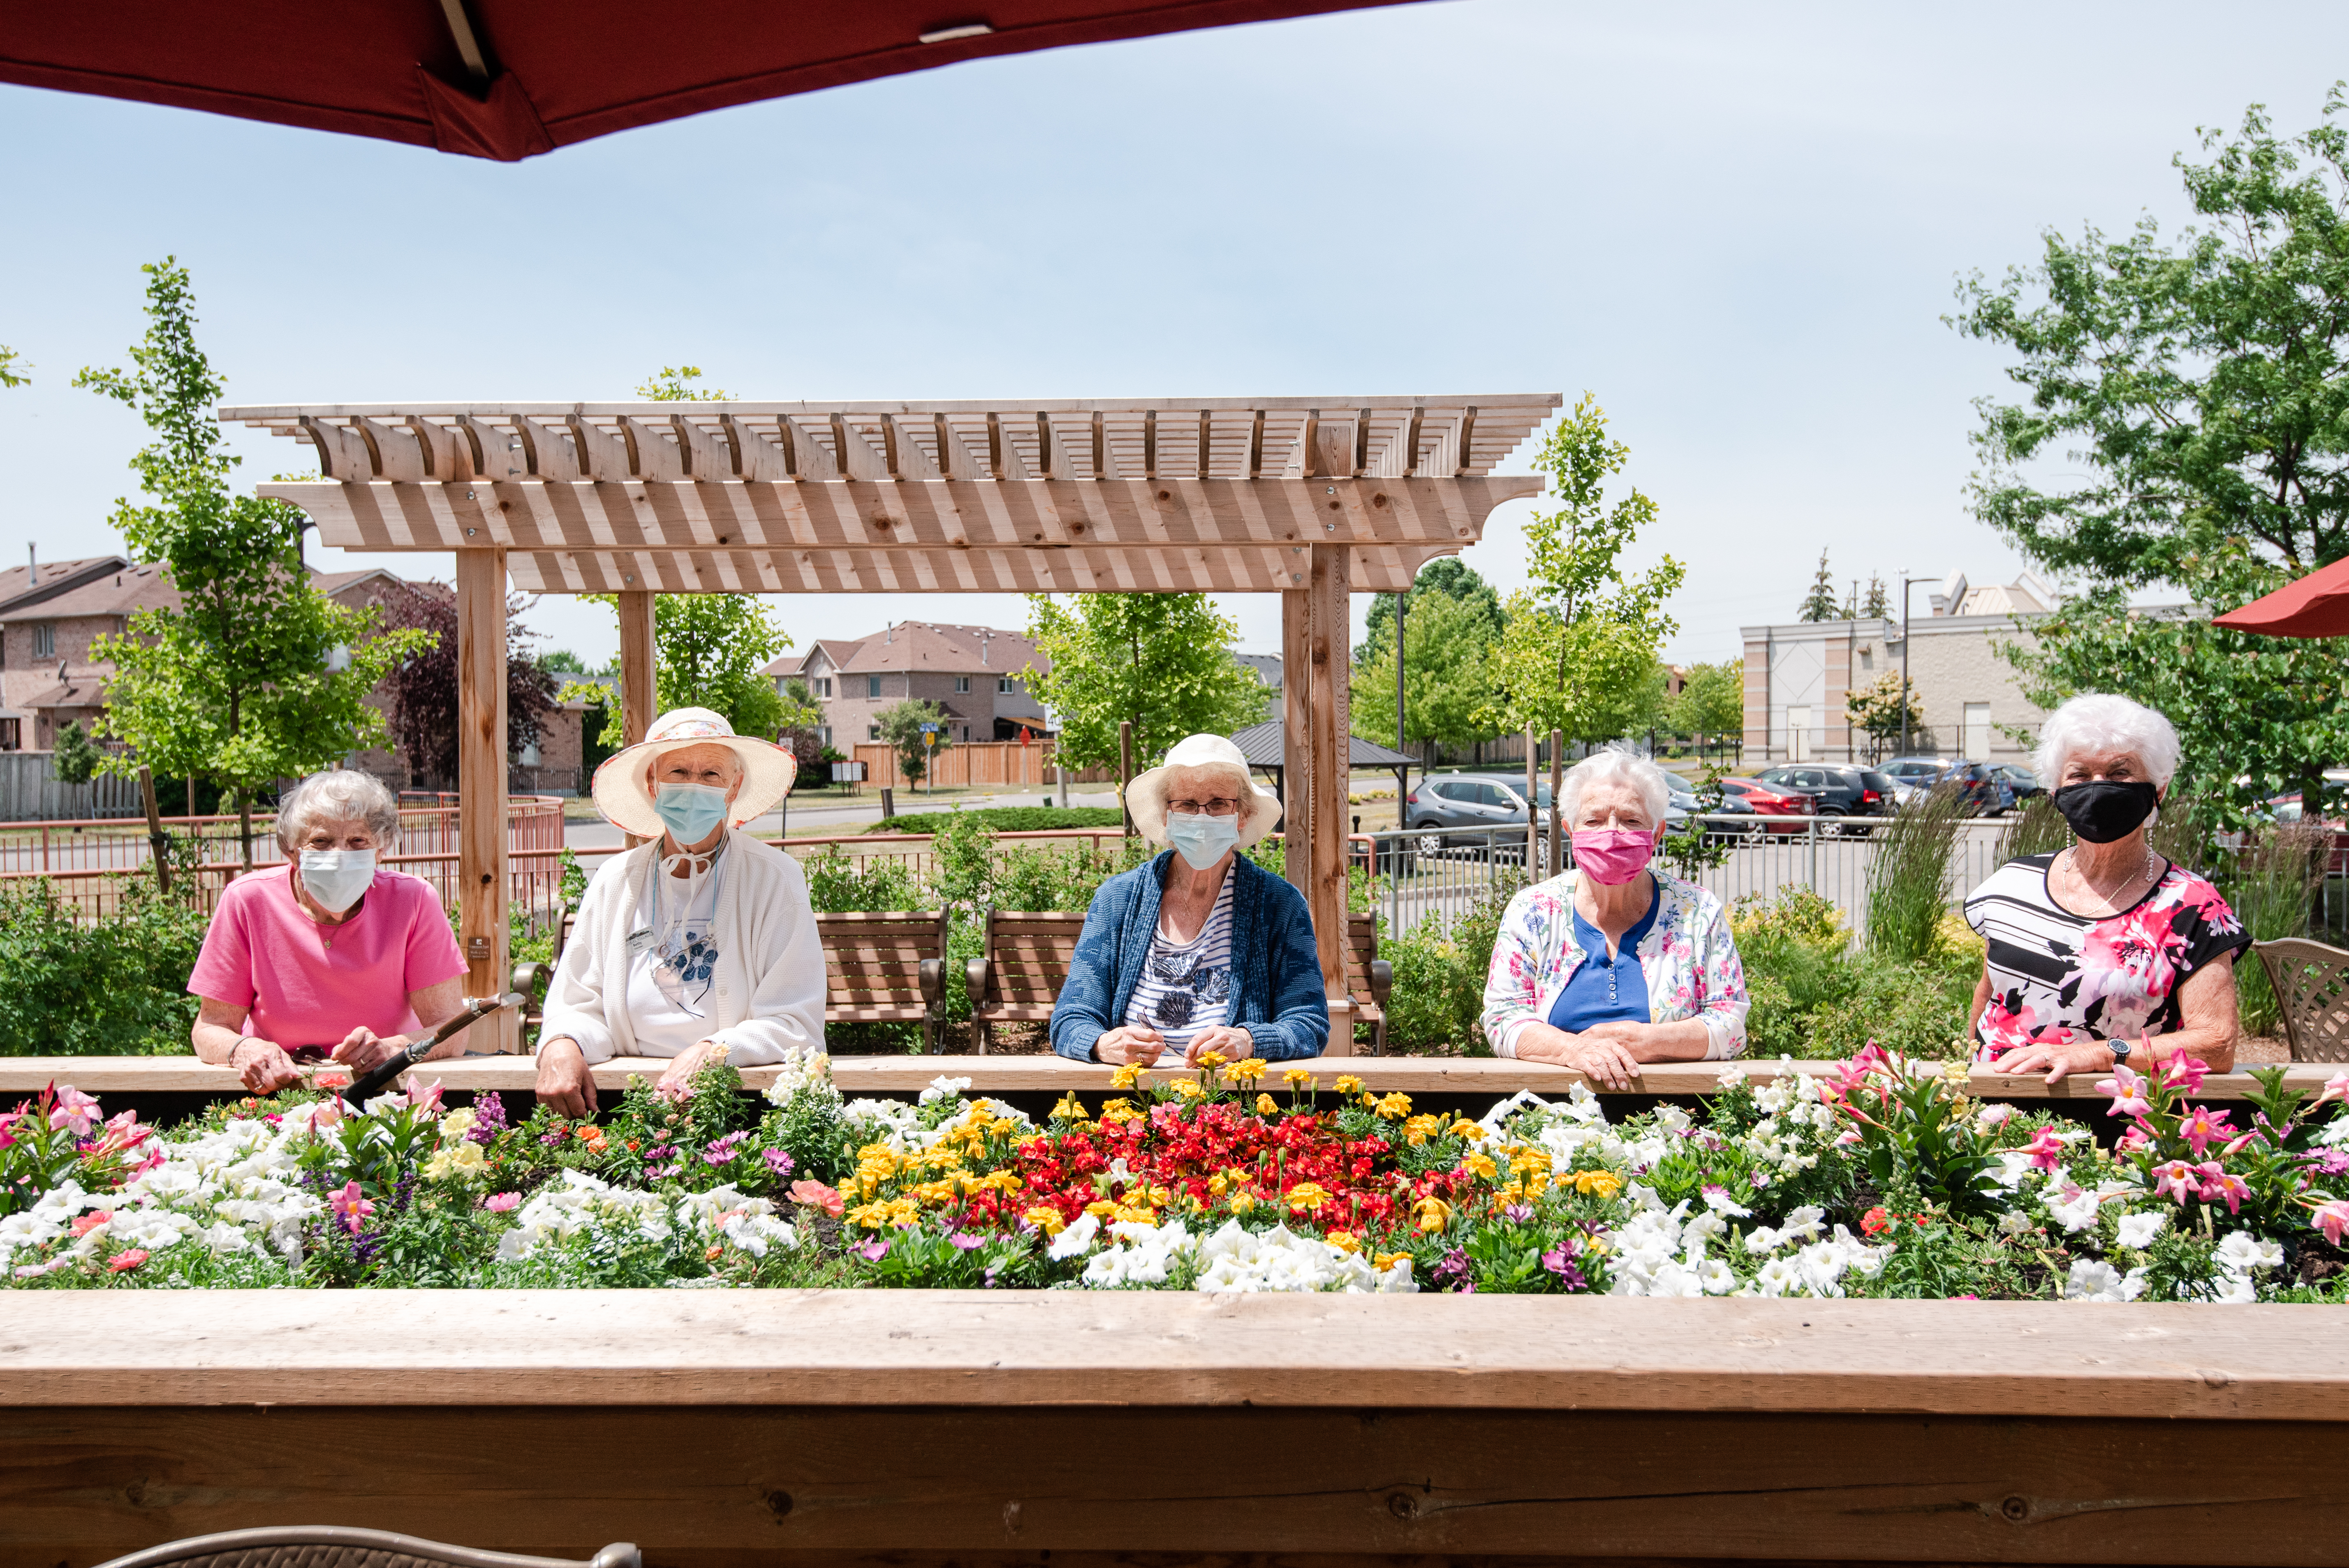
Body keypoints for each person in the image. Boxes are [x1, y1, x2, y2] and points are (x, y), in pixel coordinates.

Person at [535, 707, 823, 1114]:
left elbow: (795, 1022)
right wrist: (563, 1043)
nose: (693, 787)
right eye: (678, 773)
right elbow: (577, 1001)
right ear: (652, 784)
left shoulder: (775, 879)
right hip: (621, 1100)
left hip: (737, 1101)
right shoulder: (615, 880)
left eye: (711, 775)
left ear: (734, 787)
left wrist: (717, 1051)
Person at [1963, 693, 2247, 1080]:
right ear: (2056, 792)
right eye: (2079, 775)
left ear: (2158, 790)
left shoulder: (2192, 906)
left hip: (2115, 1117)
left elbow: (2216, 1045)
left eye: (2119, 773)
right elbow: (1989, 997)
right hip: (1994, 1118)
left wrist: (2096, 1055)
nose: (2098, 788)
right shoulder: (2012, 884)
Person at [1050, 733, 1327, 1065]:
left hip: (1235, 1103)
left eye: (1218, 804)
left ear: (1244, 816)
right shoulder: (1117, 899)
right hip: (1130, 1099)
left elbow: (1308, 1024)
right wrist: (1102, 1044)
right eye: (1185, 804)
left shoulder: (1280, 904)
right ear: (1166, 816)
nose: (1201, 818)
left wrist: (1249, 1040)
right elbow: (1070, 1019)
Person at [189, 769, 470, 1094]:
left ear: (381, 850)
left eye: (358, 842)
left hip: (383, 1087)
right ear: (292, 850)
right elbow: (211, 1028)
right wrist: (245, 1049)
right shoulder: (248, 900)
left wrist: (393, 1049)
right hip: (278, 1090)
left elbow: (453, 1031)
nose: (340, 856)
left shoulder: (413, 899)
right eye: (321, 842)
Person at [1480, 748, 1748, 1086]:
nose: (1612, 834)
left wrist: (1646, 1042)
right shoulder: (1532, 910)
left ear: (1656, 834)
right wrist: (1572, 1050)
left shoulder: (1698, 912)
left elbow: (1730, 1025)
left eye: (1631, 820)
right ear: (1570, 830)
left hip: (1677, 1119)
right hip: (1551, 1118)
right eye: (1593, 821)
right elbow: (1503, 1018)